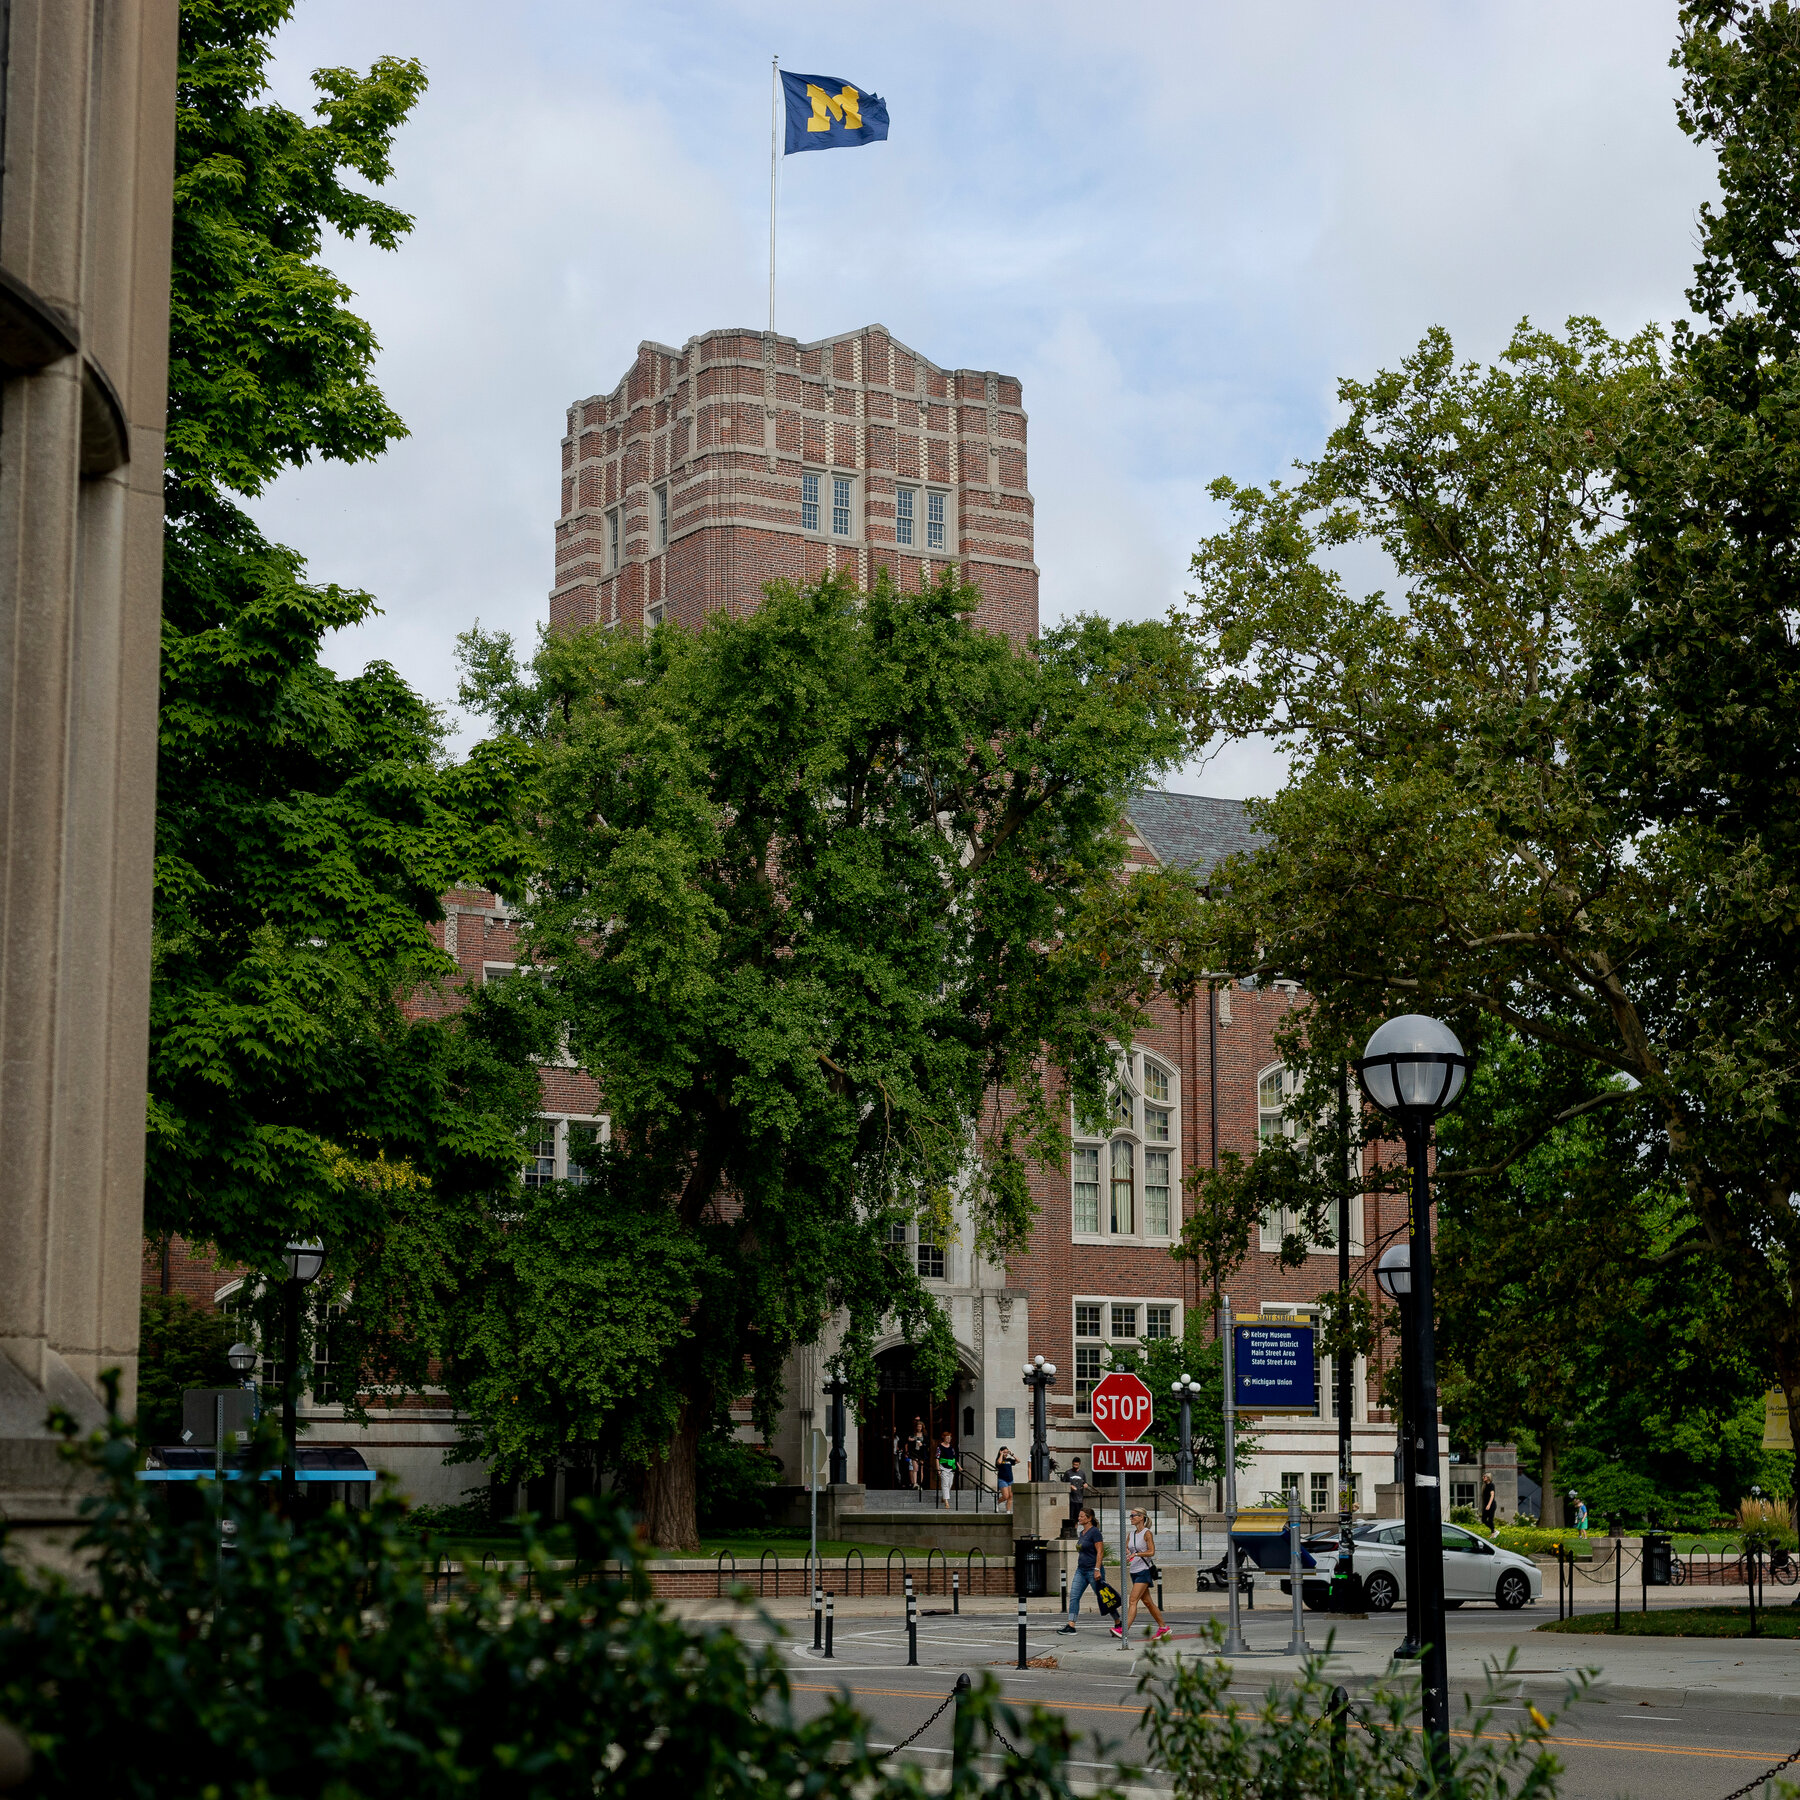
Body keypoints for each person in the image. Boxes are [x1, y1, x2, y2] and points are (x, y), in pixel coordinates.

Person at [1115, 1507, 1172, 1641]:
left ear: (1141, 1517)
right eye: (1130, 1516)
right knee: (1147, 1602)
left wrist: (1137, 1554)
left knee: (1132, 1600)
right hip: (1134, 1571)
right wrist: (1128, 1553)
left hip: (1144, 1571)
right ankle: (1164, 1628)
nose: (1131, 1518)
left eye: (1133, 1515)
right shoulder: (1131, 1534)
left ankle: (1124, 1630)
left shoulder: (1147, 1533)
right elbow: (1127, 1549)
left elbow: (1151, 1552)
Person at [1059, 1506, 1114, 1632]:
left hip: (1092, 1570)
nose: (1079, 1518)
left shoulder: (1095, 1532)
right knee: (1074, 1596)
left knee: (1104, 1598)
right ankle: (1071, 1625)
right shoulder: (1081, 1533)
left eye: (1081, 1516)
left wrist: (1097, 1569)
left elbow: (1100, 1552)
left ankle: (1117, 1621)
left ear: (1089, 1519)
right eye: (1079, 1516)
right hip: (1081, 1570)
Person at [935, 1430, 957, 1508]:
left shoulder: (951, 1447)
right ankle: (946, 1502)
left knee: (949, 1484)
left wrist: (959, 1467)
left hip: (951, 1468)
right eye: (947, 1438)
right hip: (943, 1467)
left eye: (950, 1438)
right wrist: (938, 1469)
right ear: (944, 1438)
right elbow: (937, 1458)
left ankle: (944, 1497)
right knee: (944, 1484)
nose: (949, 1439)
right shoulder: (939, 1447)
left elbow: (954, 1458)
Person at [907, 1418, 928, 1492]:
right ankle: (915, 1484)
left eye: (920, 1426)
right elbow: (908, 1441)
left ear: (922, 1427)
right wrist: (910, 1440)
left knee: (921, 1469)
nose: (919, 1428)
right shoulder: (913, 1434)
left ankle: (921, 1484)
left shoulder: (925, 1434)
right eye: (918, 1426)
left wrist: (922, 1444)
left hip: (921, 1453)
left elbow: (928, 1444)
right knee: (915, 1468)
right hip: (914, 1453)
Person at [995, 1446, 1017, 1512]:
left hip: (1010, 1480)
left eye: (1007, 1452)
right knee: (1005, 1496)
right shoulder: (999, 1459)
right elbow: (999, 1462)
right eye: (1004, 1452)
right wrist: (1001, 1454)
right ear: (1001, 1452)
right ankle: (997, 1502)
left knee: (1010, 1496)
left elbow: (1018, 1461)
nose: (1006, 1453)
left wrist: (1012, 1455)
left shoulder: (1009, 1460)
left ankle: (1008, 1511)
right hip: (1002, 1480)